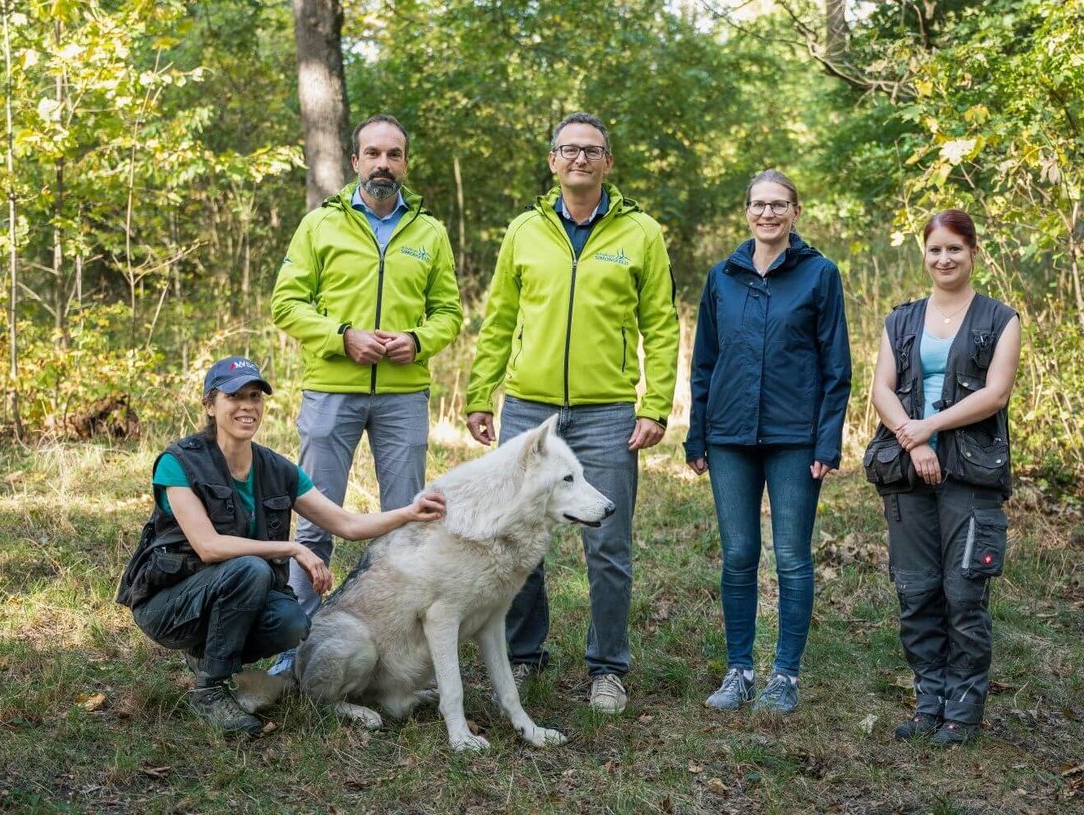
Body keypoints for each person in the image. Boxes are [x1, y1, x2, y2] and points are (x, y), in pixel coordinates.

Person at [464, 112, 680, 714]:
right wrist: (482, 394)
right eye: (568, 150)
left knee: (607, 544)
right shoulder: (524, 231)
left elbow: (660, 326)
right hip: (529, 408)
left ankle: (608, 668)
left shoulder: (641, 233)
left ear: (608, 163)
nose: (580, 159)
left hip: (607, 411)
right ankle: (525, 655)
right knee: (520, 537)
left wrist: (656, 404)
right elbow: (499, 319)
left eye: (592, 150)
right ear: (553, 162)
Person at [116, 356, 446, 734]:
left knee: (291, 623)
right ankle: (210, 691)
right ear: (210, 404)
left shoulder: (277, 469)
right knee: (251, 568)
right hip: (169, 604)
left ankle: (208, 659)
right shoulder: (178, 463)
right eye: (234, 396)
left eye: (255, 396)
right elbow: (207, 547)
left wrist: (409, 511)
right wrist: (291, 548)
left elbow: (347, 524)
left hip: (226, 593)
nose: (247, 406)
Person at [270, 114, 463, 675]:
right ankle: (295, 646)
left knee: (409, 524)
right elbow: (287, 303)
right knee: (313, 520)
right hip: (332, 390)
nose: (383, 164)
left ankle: (398, 650)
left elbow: (449, 312)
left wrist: (419, 340)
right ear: (354, 162)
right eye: (372, 154)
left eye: (394, 154)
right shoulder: (320, 225)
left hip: (403, 397)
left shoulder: (429, 232)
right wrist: (341, 337)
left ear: (406, 163)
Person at [685, 170, 852, 715]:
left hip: (794, 438)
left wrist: (828, 442)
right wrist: (697, 433)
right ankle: (739, 671)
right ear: (747, 211)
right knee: (738, 555)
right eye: (759, 205)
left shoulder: (820, 275)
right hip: (730, 434)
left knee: (792, 558)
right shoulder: (722, 276)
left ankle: (785, 675)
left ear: (796, 212)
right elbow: (704, 362)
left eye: (779, 205)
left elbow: (837, 368)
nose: (768, 214)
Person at [865, 209, 1021, 746]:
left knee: (964, 594)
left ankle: (964, 710)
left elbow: (994, 394)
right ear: (924, 255)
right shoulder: (901, 320)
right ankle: (928, 701)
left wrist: (927, 429)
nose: (944, 258)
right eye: (935, 250)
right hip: (906, 471)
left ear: (973, 252)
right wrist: (913, 438)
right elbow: (881, 389)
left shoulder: (1000, 319)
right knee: (916, 592)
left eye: (955, 248)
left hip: (970, 474)